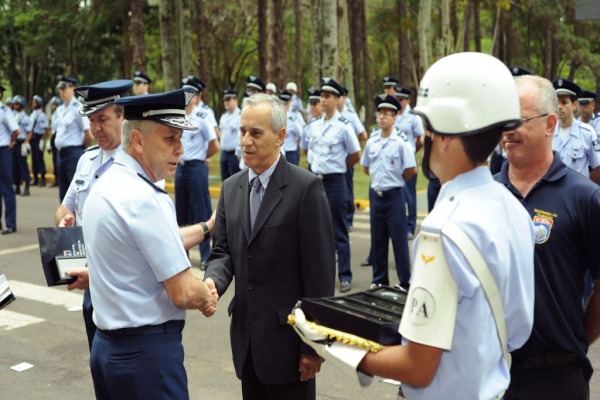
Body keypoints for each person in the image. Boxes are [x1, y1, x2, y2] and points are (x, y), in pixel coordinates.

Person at [297, 52, 536, 399]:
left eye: (428, 129)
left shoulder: (442, 231)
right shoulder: (513, 210)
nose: (424, 140)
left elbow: (417, 368)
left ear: (447, 136)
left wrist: (329, 342)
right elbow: (516, 332)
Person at [82, 87, 218, 399]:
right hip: (146, 356)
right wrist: (205, 293)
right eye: (170, 138)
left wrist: (208, 228)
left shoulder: (107, 184)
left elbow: (146, 244)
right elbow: (183, 291)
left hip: (109, 350)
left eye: (180, 139)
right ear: (139, 141)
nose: (180, 149)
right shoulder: (146, 198)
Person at [203, 93, 335, 400]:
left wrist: (312, 346)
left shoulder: (306, 189)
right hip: (247, 343)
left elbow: (319, 275)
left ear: (281, 137)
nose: (246, 141)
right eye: (242, 131)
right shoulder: (231, 188)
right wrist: (212, 283)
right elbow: (223, 252)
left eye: (256, 133)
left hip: (289, 346)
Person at [497, 75, 600, 399]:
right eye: (503, 120)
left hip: (557, 377)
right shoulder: (485, 195)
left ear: (550, 123)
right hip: (489, 373)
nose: (507, 131)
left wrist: (576, 337)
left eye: (518, 120)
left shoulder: (584, 198)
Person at [54, 80, 134, 351]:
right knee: (99, 363)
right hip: (89, 279)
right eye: (91, 120)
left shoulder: (139, 162)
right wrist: (65, 220)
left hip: (123, 283)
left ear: (123, 116)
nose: (95, 128)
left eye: (103, 119)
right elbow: (65, 208)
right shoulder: (86, 160)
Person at [305, 77, 361, 292]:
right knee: (315, 230)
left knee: (338, 229)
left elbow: (355, 154)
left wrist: (340, 167)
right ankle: (319, 275)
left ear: (337, 100)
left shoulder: (344, 127)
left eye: (327, 97)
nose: (323, 100)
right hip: (316, 181)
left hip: (336, 181)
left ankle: (345, 275)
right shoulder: (315, 126)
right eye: (322, 97)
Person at [361, 94, 416, 289]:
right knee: (378, 240)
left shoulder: (400, 142)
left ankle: (404, 282)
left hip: (394, 196)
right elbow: (366, 167)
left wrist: (396, 181)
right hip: (377, 196)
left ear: (395, 118)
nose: (382, 117)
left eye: (387, 114)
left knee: (399, 240)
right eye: (380, 114)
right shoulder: (372, 141)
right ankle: (379, 280)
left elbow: (411, 169)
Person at [177, 76, 220, 268]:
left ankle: (204, 256)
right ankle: (182, 255)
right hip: (181, 168)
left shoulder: (202, 118)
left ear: (196, 98)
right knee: (181, 213)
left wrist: (202, 156)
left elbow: (214, 145)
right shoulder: (177, 116)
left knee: (200, 211)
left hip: (196, 167)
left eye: (189, 94)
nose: (186, 97)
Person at [552, 78, 600, 183]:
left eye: (564, 102)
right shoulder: (548, 132)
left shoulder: (587, 133)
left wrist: (586, 187)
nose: (559, 107)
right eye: (557, 102)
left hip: (579, 196)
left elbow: (598, 168)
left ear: (574, 105)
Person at [54, 75, 92, 202]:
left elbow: (88, 133)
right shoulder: (60, 109)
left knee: (76, 192)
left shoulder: (78, 107)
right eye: (60, 88)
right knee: (63, 194)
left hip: (74, 153)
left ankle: (78, 221)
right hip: (61, 154)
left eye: (64, 88)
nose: (61, 91)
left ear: (72, 88)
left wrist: (82, 149)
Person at [395, 86, 424, 240]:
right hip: (394, 161)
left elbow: (420, 139)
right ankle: (400, 225)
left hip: (408, 161)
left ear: (408, 100)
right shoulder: (395, 115)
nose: (398, 103)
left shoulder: (414, 117)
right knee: (398, 195)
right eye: (397, 99)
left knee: (409, 195)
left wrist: (412, 153)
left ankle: (410, 227)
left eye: (401, 100)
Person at [337, 85, 366, 232]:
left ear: (344, 98)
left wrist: (352, 145)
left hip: (348, 155)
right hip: (335, 156)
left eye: (341, 96)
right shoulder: (330, 115)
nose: (338, 99)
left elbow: (363, 135)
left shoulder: (351, 115)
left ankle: (348, 220)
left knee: (347, 188)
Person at [0, 84, 19, 234]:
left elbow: (16, 130)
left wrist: (11, 142)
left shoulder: (4, 110)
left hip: (3, 150)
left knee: (7, 188)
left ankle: (10, 223)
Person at [10, 95, 32, 196]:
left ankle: (26, 187)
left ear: (22, 105)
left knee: (23, 166)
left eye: (17, 104)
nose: (15, 105)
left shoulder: (26, 118)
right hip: (14, 143)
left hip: (21, 143)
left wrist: (25, 143)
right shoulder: (13, 116)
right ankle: (17, 187)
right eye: (14, 104)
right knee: (15, 166)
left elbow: (30, 132)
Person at [219, 89, 242, 181]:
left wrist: (239, 154)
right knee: (224, 181)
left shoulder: (240, 115)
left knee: (235, 181)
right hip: (224, 153)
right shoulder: (223, 117)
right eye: (225, 100)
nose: (226, 102)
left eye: (228, 99)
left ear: (235, 100)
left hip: (234, 154)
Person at [279, 89, 304, 165]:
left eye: (286, 103)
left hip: (291, 151)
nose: (284, 105)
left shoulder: (294, 115)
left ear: (289, 102)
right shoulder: (276, 115)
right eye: (282, 103)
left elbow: (301, 133)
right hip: (278, 151)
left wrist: (292, 125)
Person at [29, 95, 49, 187]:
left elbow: (46, 129)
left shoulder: (42, 115)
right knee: (34, 159)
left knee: (39, 159)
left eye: (35, 102)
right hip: (32, 139)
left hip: (38, 138)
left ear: (39, 103)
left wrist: (42, 140)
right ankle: (36, 178)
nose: (33, 103)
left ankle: (43, 179)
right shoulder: (32, 114)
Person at [48, 96, 62, 187]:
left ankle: (59, 180)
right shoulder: (54, 114)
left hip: (57, 135)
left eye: (54, 104)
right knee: (54, 159)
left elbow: (56, 128)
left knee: (58, 160)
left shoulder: (59, 113)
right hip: (54, 137)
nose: (52, 106)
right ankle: (56, 179)